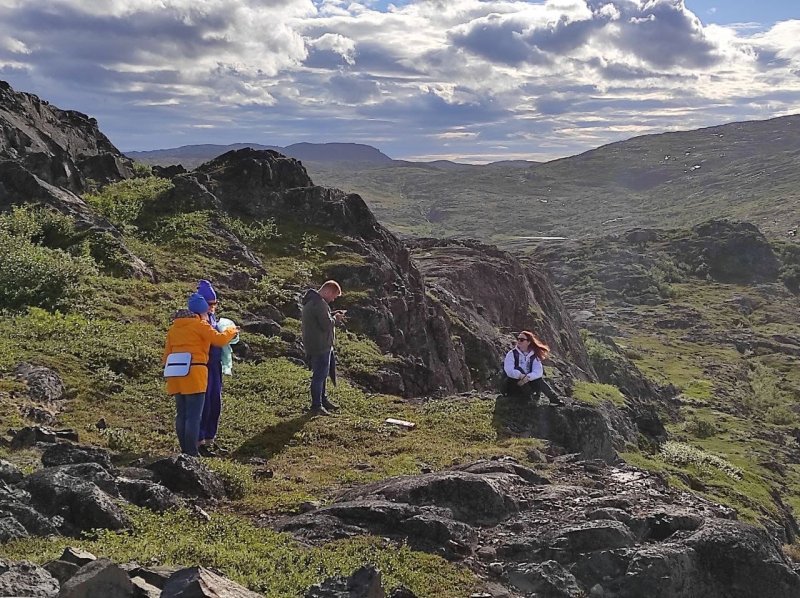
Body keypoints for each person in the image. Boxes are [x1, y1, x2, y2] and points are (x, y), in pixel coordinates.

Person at [162, 292, 238, 456]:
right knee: (194, 415)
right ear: (201, 311)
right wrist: (232, 331)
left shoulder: (174, 328)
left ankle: (184, 449)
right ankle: (191, 452)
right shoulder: (200, 325)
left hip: (175, 374)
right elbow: (219, 340)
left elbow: (166, 355)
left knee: (181, 414)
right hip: (195, 373)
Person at [301, 280, 345, 416]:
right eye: (334, 296)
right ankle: (316, 406)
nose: (333, 299)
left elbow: (321, 320)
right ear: (328, 291)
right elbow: (326, 325)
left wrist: (331, 315)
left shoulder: (313, 302)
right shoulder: (319, 304)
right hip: (320, 346)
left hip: (318, 344)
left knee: (322, 374)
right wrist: (336, 318)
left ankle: (323, 400)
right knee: (319, 376)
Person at [196, 280, 224, 457]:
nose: (213, 307)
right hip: (203, 365)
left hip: (215, 364)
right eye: (210, 304)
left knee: (215, 403)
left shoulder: (211, 317)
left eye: (215, 303)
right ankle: (199, 441)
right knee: (203, 405)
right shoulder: (197, 319)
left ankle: (210, 439)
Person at [503, 330, 562, 405]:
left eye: (522, 340)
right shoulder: (512, 354)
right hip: (513, 384)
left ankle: (554, 399)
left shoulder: (534, 356)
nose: (519, 341)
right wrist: (520, 376)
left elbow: (538, 372)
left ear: (529, 342)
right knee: (518, 369)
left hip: (527, 383)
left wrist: (527, 377)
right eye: (518, 339)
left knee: (539, 380)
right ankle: (530, 399)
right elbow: (509, 370)